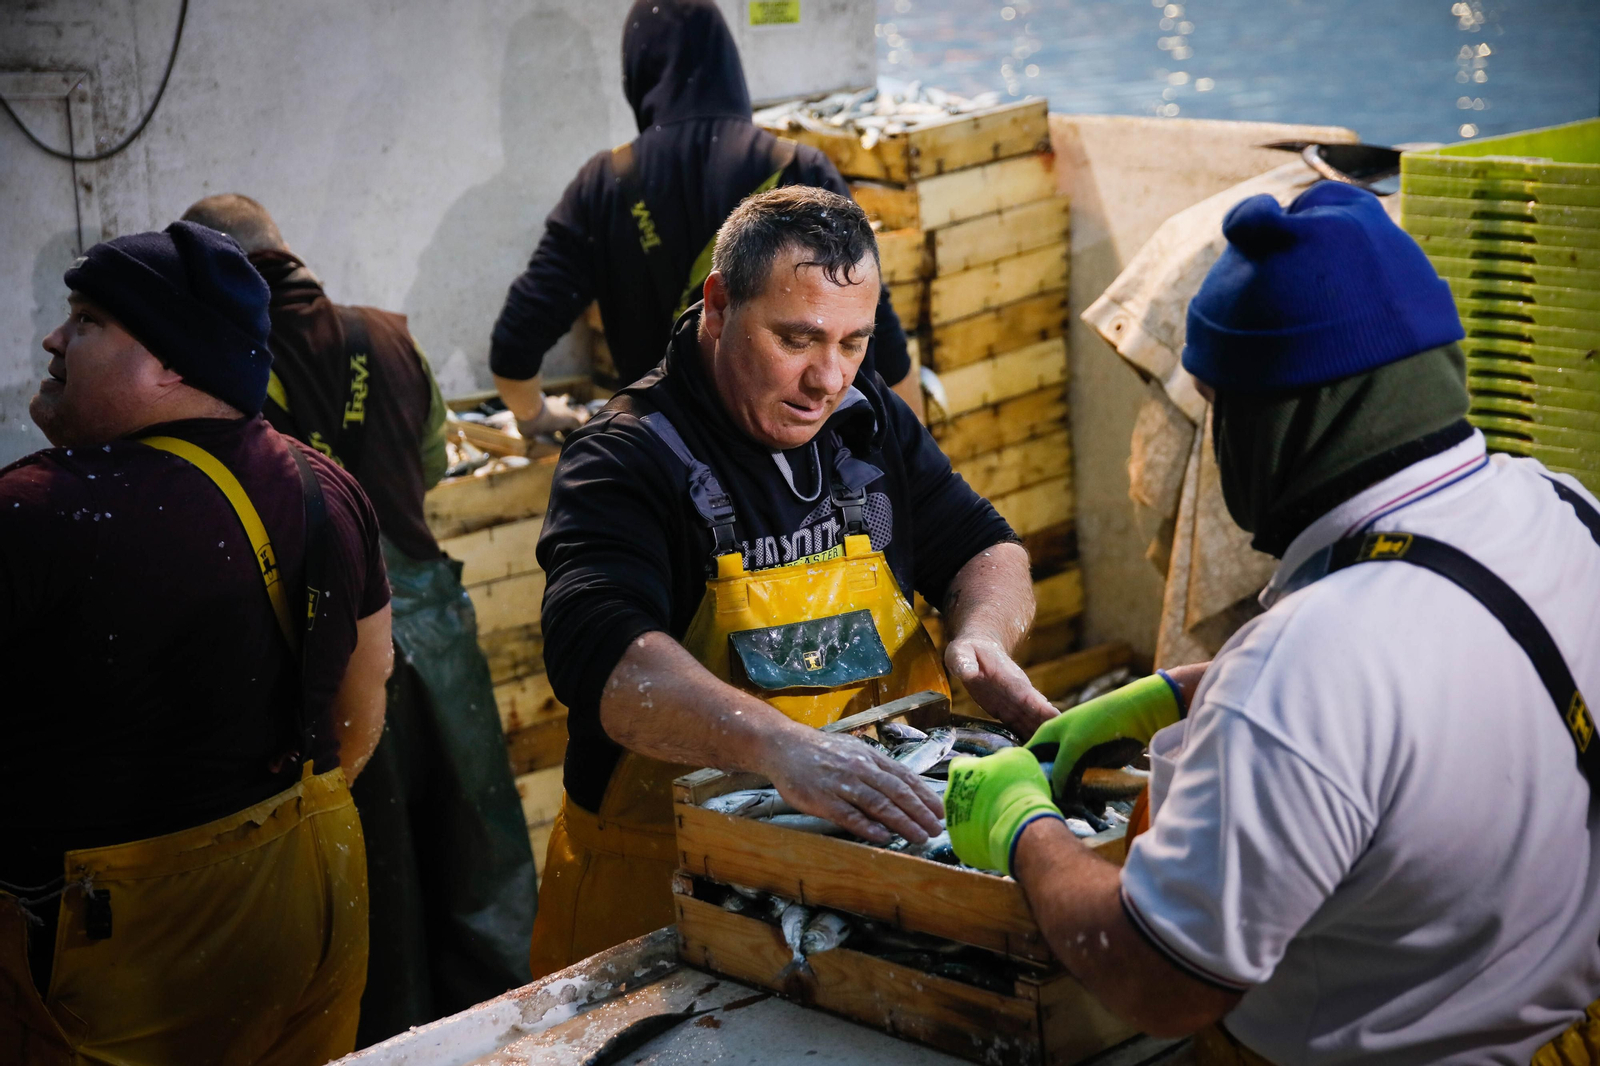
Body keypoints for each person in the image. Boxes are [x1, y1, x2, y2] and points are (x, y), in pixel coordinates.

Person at [945, 182, 1600, 1065]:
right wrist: (1174, 694)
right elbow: (1449, 696)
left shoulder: (1310, 658)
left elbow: (1157, 980)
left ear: (1286, 421)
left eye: (1218, 408)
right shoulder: (1560, 508)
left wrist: (1024, 829)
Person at [529, 185, 1055, 976]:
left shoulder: (867, 416)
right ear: (717, 304)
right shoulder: (623, 458)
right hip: (663, 887)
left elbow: (986, 547)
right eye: (797, 338)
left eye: (853, 342)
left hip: (858, 869)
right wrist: (781, 748)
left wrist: (980, 637)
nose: (827, 378)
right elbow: (602, 660)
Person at [0, 221, 393, 1063]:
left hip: (126, 965)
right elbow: (364, 704)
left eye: (89, 320)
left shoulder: (42, 510)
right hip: (319, 900)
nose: (53, 337)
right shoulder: (327, 486)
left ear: (175, 362)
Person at [179, 194, 537, 1046]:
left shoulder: (219, 364)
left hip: (321, 647)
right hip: (436, 626)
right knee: (478, 854)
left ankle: (400, 1049)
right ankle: (512, 1044)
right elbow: (426, 462)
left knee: (377, 881)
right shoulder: (388, 333)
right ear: (287, 251)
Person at [488, 0, 918, 440]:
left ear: (637, 73)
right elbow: (880, 340)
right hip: (788, 463)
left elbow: (516, 341)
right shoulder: (798, 169)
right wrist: (914, 463)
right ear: (729, 65)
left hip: (660, 460)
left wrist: (536, 418)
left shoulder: (605, 183)